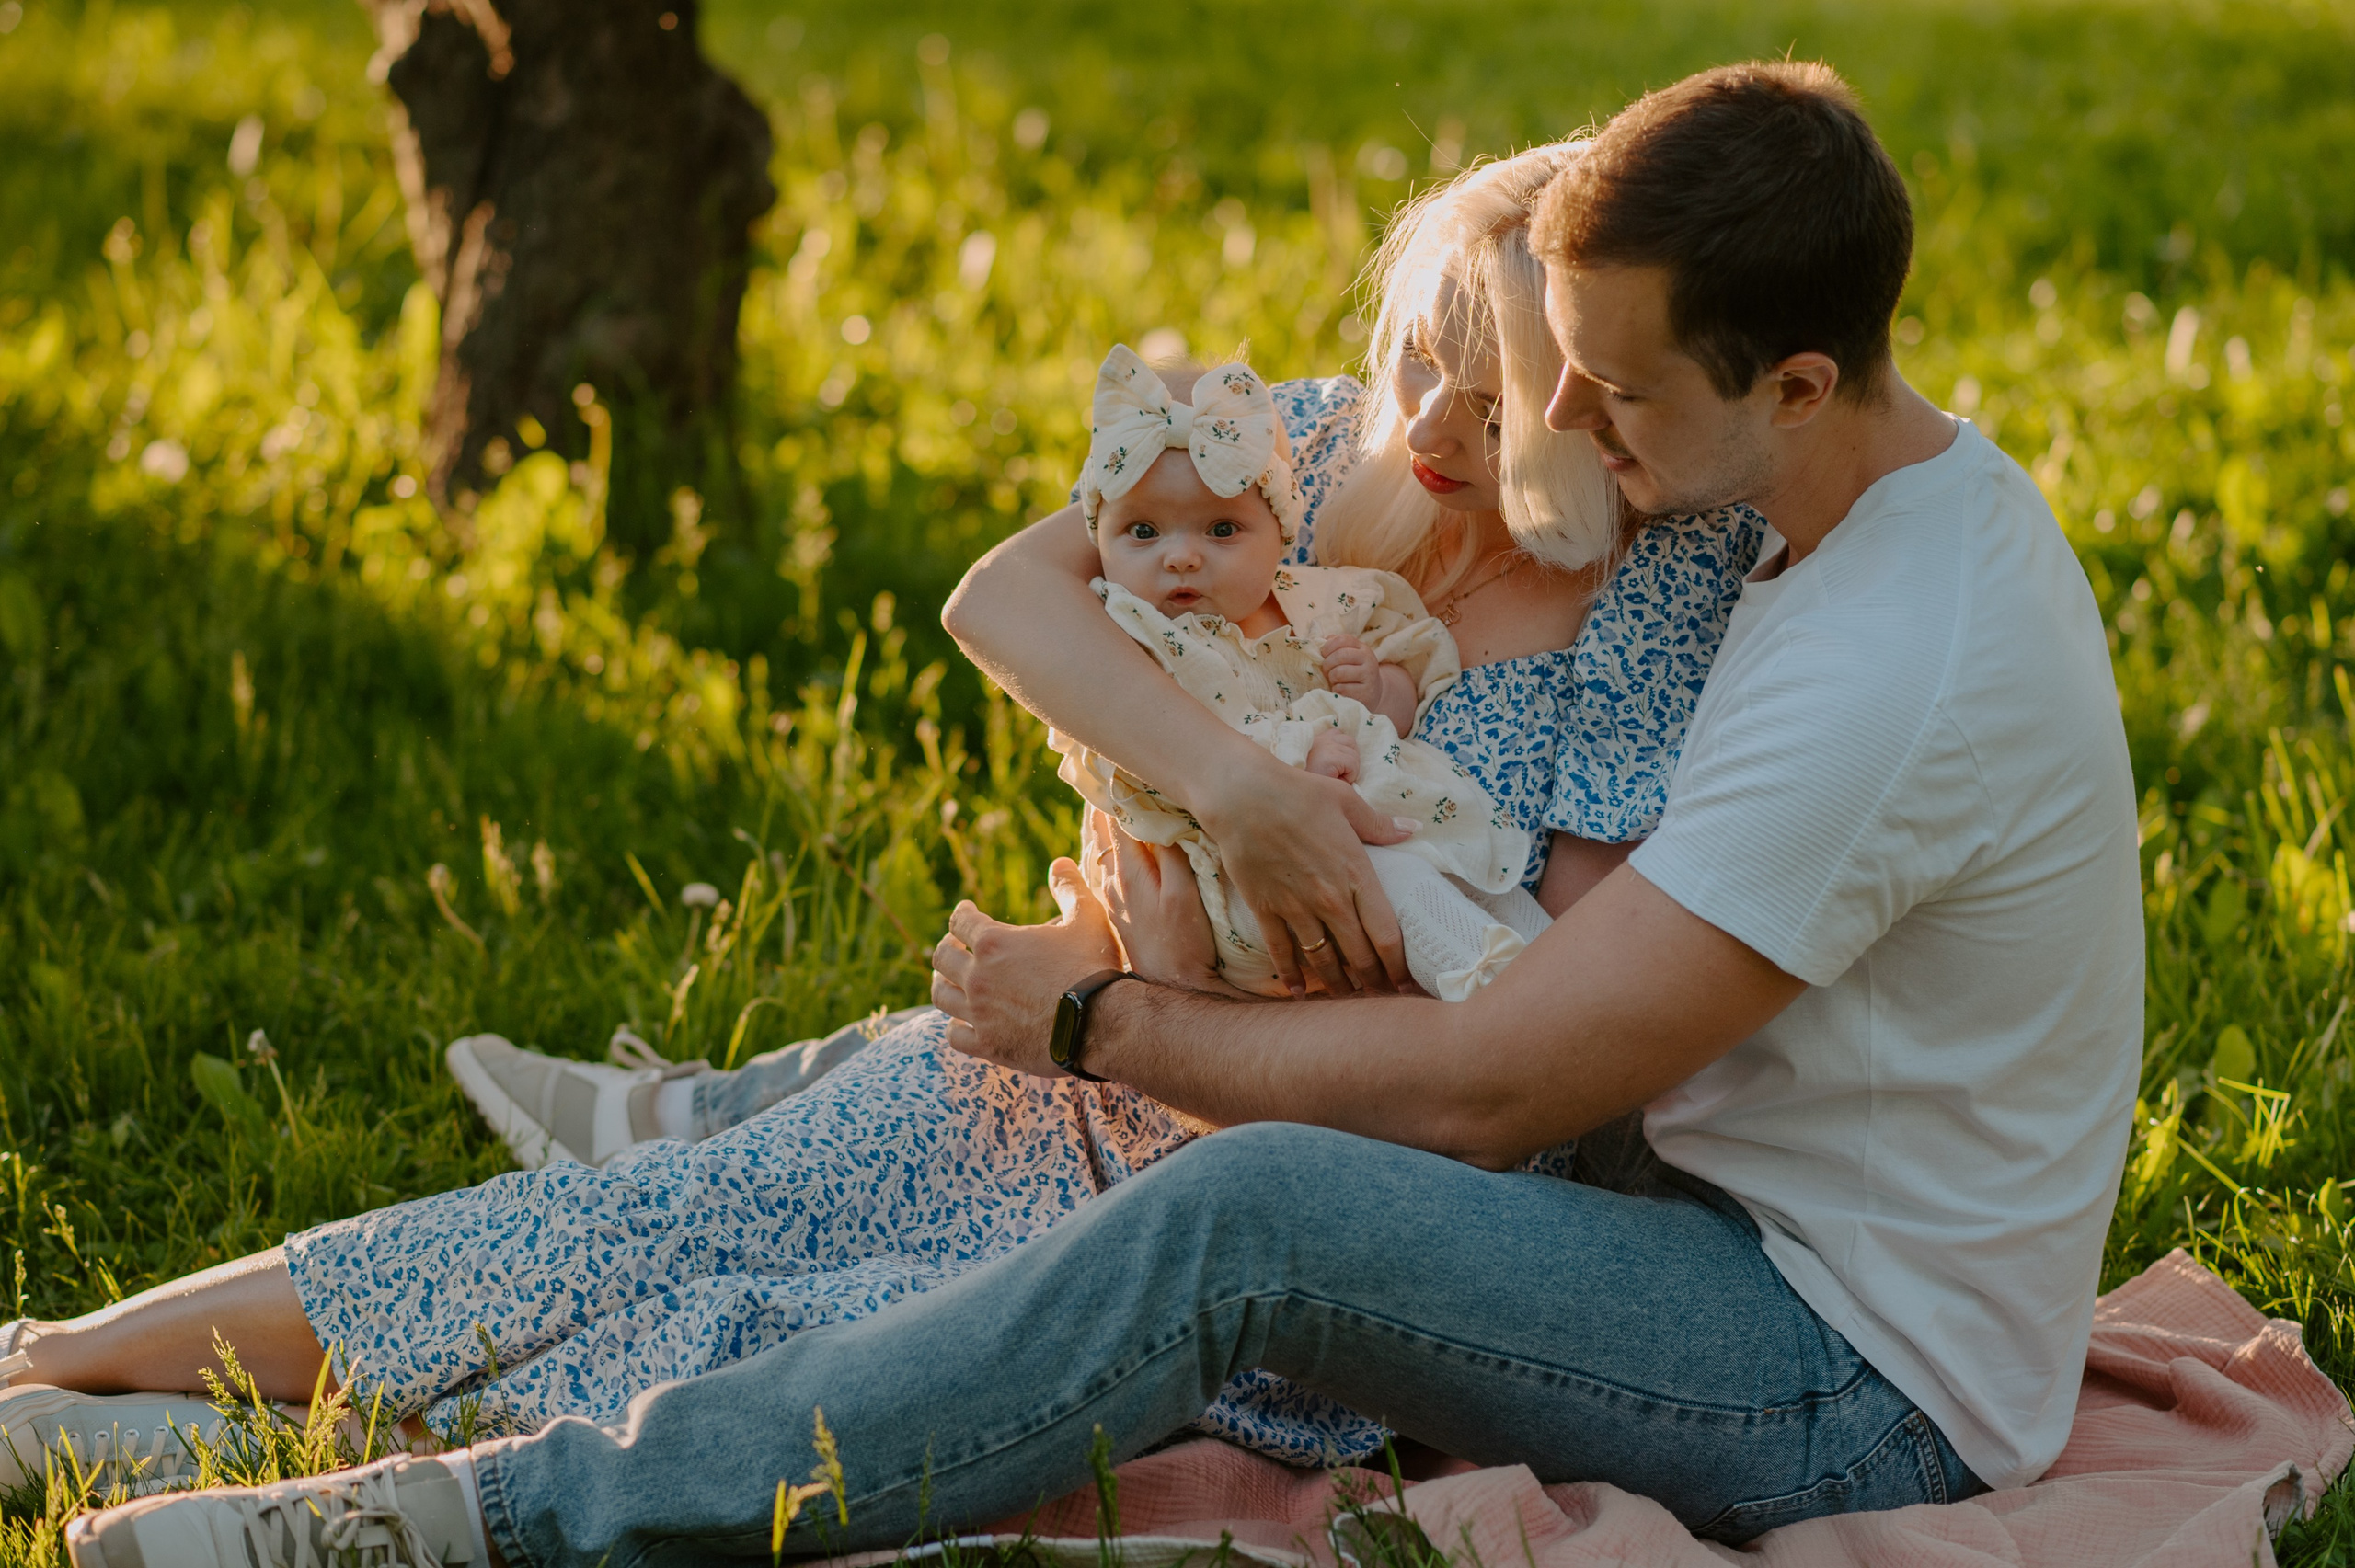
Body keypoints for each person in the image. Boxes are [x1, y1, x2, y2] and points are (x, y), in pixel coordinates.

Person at [64, 59, 2141, 1568]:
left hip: (1832, 1357)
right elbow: (1070, 590)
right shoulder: (1808, 497)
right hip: (1673, 1202)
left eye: (1607, 396)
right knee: (841, 1172)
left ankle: (492, 1519)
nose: (1553, 435)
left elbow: (1498, 1086)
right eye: (1551, 371)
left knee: (1237, 1219)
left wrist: (1093, 1014)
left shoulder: (1890, 661)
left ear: (1790, 381)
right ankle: (104, 1377)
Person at [1063, 341, 1544, 1000]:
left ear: (1280, 529)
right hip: (1257, 883)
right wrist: (1289, 767)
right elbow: (1143, 766)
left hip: (1392, 816)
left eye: (1221, 530)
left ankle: (1576, 992)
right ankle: (1507, 1006)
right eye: (1143, 531)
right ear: (1100, 534)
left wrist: (1379, 688)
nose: (1180, 557)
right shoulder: (1131, 638)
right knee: (1401, 886)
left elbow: (1419, 661)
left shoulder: (1321, 599)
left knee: (1481, 874)